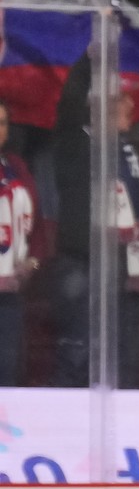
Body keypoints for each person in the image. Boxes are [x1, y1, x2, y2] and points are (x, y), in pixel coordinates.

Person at [0, 100, 40, 385]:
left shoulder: (15, 167)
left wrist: (33, 261)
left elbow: (35, 218)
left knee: (8, 369)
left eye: (2, 123)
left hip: (8, 291)